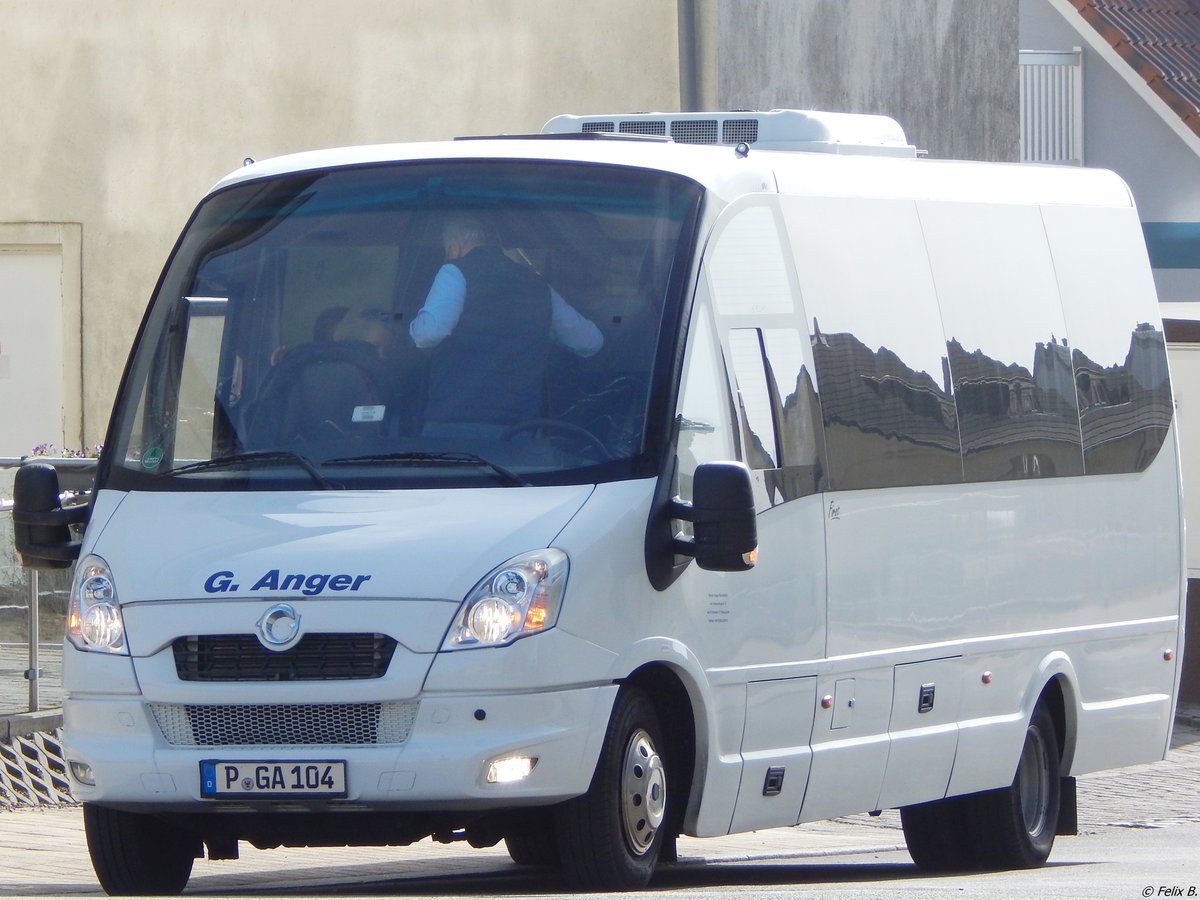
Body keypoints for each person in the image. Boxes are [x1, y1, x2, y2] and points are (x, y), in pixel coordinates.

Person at [409, 217, 603, 433]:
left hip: (454, 422)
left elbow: (429, 333)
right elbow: (590, 341)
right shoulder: (538, 285)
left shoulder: (454, 272)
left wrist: (409, 328)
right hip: (518, 428)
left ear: (453, 246)